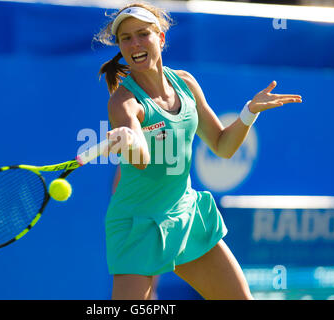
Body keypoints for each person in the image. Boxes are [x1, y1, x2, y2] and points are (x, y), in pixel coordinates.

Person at [94, 3, 302, 300]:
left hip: (185, 214)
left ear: (161, 38)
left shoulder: (186, 83)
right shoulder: (123, 103)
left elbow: (222, 145)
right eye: (126, 38)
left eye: (142, 34)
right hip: (137, 224)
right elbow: (141, 160)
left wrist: (249, 111)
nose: (135, 43)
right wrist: (129, 140)